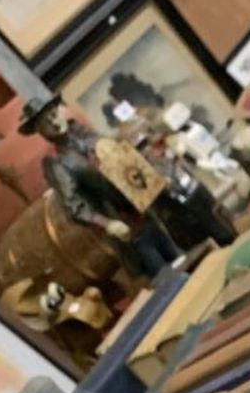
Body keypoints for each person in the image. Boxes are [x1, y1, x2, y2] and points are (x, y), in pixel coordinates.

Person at [20, 97, 178, 284]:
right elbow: (74, 205)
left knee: (181, 257)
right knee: (165, 276)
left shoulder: (87, 135)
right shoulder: (57, 163)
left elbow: (124, 158)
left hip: (145, 209)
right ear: (39, 131)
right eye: (45, 123)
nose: (54, 123)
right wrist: (106, 223)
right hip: (125, 225)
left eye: (53, 115)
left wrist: (154, 177)